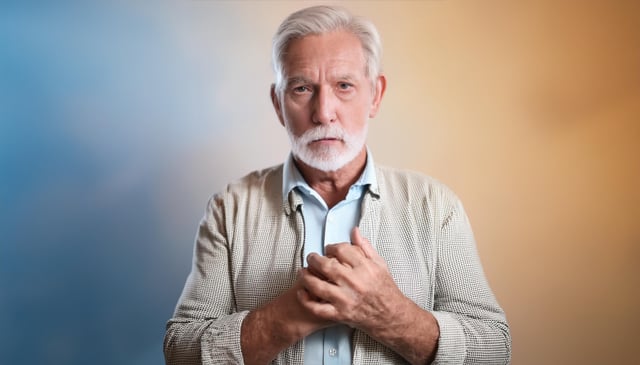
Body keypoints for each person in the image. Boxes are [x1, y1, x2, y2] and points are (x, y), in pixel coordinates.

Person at [164, 5, 511, 365]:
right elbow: (180, 352)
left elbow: (494, 351)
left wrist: (392, 316)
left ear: (375, 95)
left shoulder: (436, 207)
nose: (323, 111)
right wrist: (286, 317)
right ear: (278, 103)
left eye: (344, 86)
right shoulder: (229, 209)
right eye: (301, 88)